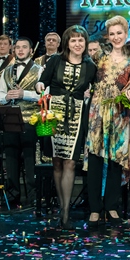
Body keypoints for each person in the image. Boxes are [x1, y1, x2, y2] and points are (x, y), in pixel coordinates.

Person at [35, 26, 97, 228]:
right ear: (67, 43)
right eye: (73, 40)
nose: (77, 44)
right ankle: (62, 206)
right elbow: (42, 82)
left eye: (81, 40)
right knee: (57, 163)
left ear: (85, 43)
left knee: (70, 162)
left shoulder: (90, 66)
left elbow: (95, 90)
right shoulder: (55, 60)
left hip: (77, 115)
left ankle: (65, 212)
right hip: (54, 113)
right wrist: (39, 86)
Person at [84, 16, 130, 227]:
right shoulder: (98, 56)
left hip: (119, 114)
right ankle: (94, 209)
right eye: (112, 34)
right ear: (107, 36)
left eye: (119, 33)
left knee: (116, 161)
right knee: (95, 160)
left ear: (126, 34)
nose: (116, 37)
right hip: (97, 113)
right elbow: (86, 79)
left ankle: (111, 207)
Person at [0, 37, 44, 209]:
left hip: (31, 121)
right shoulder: (7, 71)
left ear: (31, 51)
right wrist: (6, 97)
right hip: (11, 120)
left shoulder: (40, 70)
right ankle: (12, 196)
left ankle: (33, 197)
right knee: (10, 159)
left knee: (31, 161)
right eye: (18, 47)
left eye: (24, 47)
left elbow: (45, 95)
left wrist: (25, 94)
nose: (21, 50)